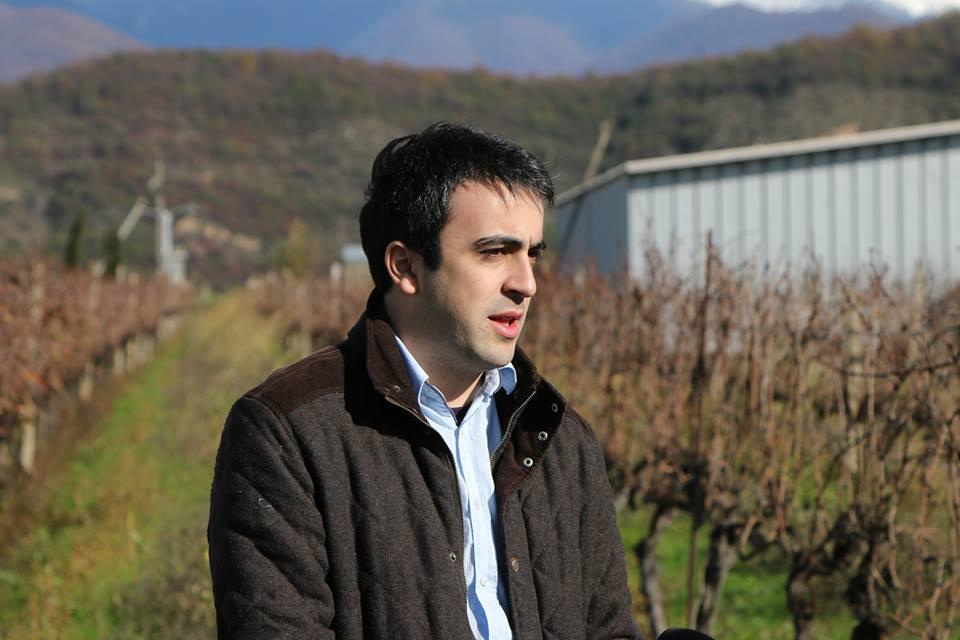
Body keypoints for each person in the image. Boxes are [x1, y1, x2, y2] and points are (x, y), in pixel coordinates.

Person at [207, 122, 641, 639]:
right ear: (405, 266)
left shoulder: (561, 439)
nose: (527, 283)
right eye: (494, 252)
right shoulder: (286, 435)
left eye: (532, 254)